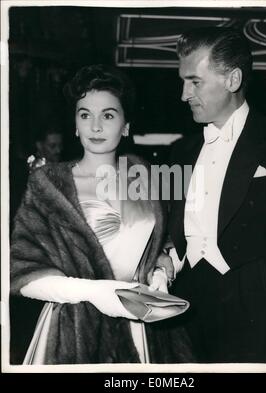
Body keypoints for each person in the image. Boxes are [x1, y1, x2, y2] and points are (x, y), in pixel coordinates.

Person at [10, 64, 194, 364]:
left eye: (108, 115)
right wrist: (96, 293)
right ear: (75, 124)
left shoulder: (145, 177)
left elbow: (165, 245)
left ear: (125, 125)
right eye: (85, 115)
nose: (95, 127)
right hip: (74, 329)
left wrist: (160, 273)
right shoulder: (49, 185)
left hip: (140, 326)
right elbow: (21, 270)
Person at [164, 28, 266, 363]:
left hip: (256, 314)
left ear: (233, 79)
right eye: (183, 81)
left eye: (195, 81)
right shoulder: (181, 151)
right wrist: (167, 259)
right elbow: (174, 229)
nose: (183, 94)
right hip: (183, 315)